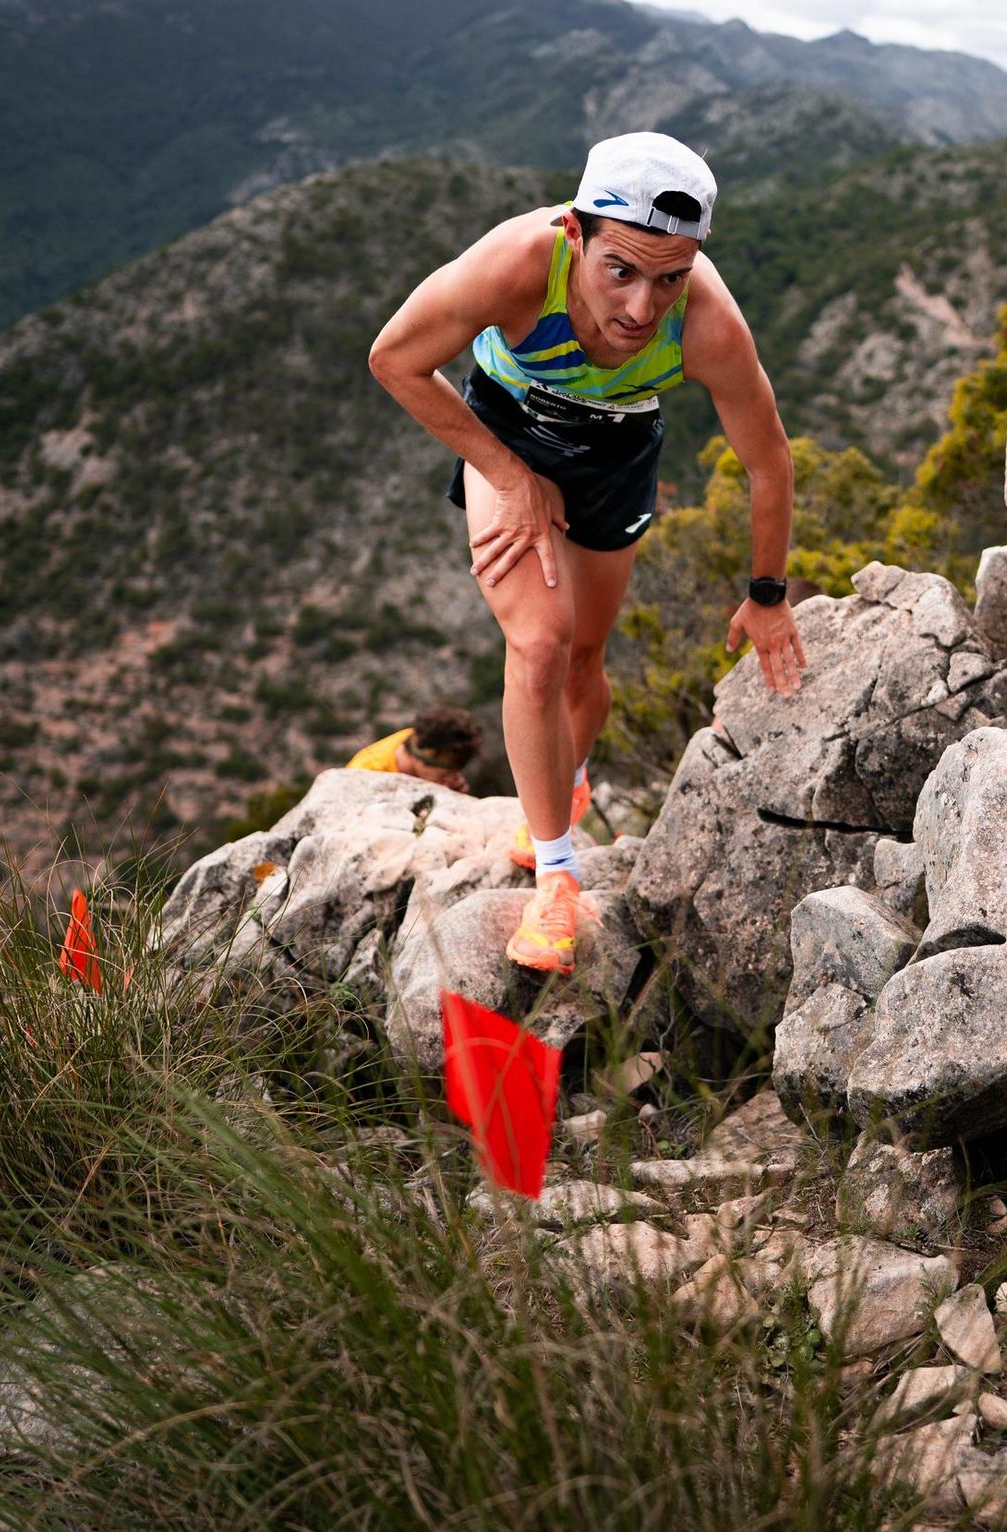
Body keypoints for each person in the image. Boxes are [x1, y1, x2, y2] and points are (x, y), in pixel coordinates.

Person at [369, 130, 807, 976]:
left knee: (582, 661)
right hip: (507, 426)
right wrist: (507, 471)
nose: (644, 308)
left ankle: (562, 789)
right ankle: (556, 880)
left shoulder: (708, 324)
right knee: (538, 643)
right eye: (622, 271)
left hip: (617, 451)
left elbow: (768, 460)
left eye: (670, 276)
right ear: (576, 234)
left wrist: (767, 593)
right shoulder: (516, 265)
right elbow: (394, 359)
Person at [346, 704, 482, 793]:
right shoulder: (365, 774)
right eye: (445, 774)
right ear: (421, 761)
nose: (453, 778)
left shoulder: (425, 738)